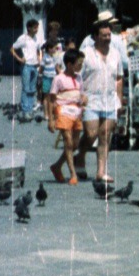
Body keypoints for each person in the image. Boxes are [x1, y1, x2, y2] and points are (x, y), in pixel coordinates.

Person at [79, 18, 125, 192]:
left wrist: (119, 100)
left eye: (109, 35)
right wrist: (80, 96)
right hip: (90, 99)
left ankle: (101, 171)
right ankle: (80, 156)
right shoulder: (86, 54)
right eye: (104, 35)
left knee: (105, 136)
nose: (107, 38)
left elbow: (119, 78)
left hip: (110, 100)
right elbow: (78, 77)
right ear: (95, 36)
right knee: (90, 134)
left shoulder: (115, 54)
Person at [49, 49, 86, 184]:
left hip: (76, 112)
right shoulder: (58, 79)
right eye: (79, 63)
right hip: (63, 111)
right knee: (68, 142)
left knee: (74, 144)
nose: (81, 66)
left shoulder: (79, 78)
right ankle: (73, 174)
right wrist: (51, 120)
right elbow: (52, 100)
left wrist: (84, 101)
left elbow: (81, 95)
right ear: (70, 64)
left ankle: (57, 166)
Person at [11, 18, 42, 122]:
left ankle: (29, 109)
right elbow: (12, 48)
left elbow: (38, 50)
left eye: (37, 27)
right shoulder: (23, 38)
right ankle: (25, 111)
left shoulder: (36, 39)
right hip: (26, 66)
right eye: (35, 27)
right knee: (26, 88)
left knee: (33, 88)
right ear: (29, 28)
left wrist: (39, 59)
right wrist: (19, 59)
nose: (36, 29)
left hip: (34, 66)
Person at [39, 21, 64, 130]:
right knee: (46, 95)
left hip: (56, 70)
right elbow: (42, 59)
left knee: (55, 95)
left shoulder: (59, 44)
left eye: (56, 31)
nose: (54, 33)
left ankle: (54, 113)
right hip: (47, 74)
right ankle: (46, 113)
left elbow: (60, 55)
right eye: (53, 30)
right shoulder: (46, 43)